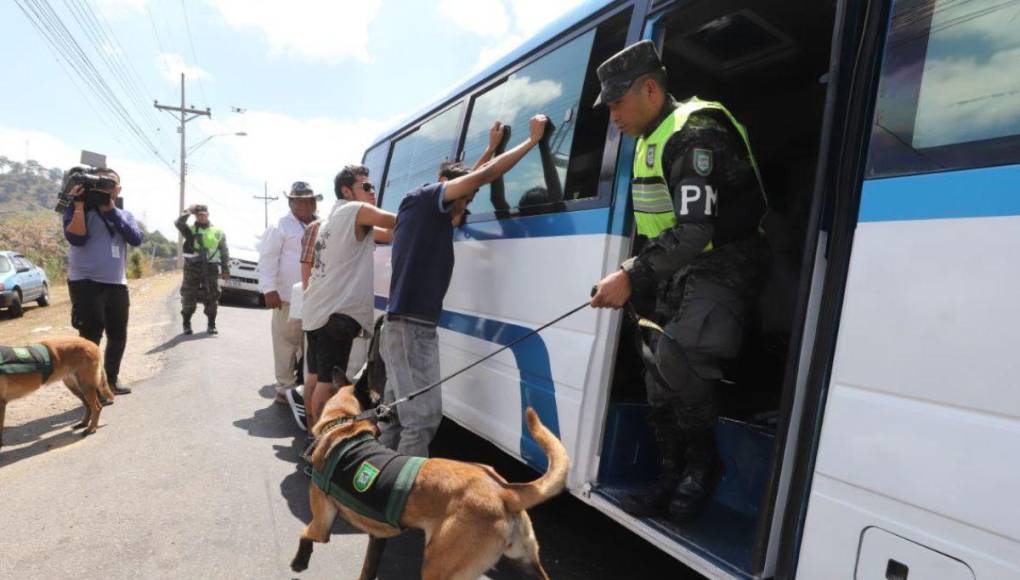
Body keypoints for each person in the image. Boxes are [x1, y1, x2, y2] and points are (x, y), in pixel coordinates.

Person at [589, 40, 771, 520]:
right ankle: (669, 474)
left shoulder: (695, 133)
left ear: (649, 88)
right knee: (655, 371)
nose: (612, 116)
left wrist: (631, 273)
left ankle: (702, 466)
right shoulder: (649, 140)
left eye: (616, 102)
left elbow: (695, 231)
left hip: (724, 262)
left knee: (680, 355)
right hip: (677, 268)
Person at [378, 115, 549, 457]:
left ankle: (368, 481)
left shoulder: (427, 212)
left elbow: (469, 181)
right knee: (421, 420)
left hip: (404, 329)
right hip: (411, 330)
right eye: (463, 201)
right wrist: (531, 142)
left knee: (396, 415)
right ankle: (403, 499)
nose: (464, 210)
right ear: (444, 185)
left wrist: (489, 148)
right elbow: (477, 178)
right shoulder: (424, 199)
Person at [300, 165, 395, 430]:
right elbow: (396, 222)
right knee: (328, 385)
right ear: (346, 190)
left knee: (314, 378)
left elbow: (385, 235)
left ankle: (310, 435)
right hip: (338, 313)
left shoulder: (330, 221)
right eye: (366, 187)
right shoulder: (356, 211)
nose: (372, 192)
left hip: (316, 311)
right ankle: (322, 441)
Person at [62, 167, 143, 397]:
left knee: (118, 335)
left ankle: (111, 382)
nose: (107, 187)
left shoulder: (124, 215)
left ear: (118, 189)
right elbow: (76, 239)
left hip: (117, 284)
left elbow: (135, 238)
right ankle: (92, 390)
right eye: (101, 183)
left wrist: (110, 211)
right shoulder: (77, 207)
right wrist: (78, 206)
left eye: (111, 183)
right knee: (90, 338)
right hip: (85, 282)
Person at [259, 181, 320, 404]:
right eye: (300, 200)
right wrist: (269, 289)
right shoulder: (280, 225)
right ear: (291, 202)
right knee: (286, 342)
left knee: (309, 344)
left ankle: (304, 387)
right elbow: (267, 258)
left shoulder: (321, 224)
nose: (305, 204)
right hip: (286, 296)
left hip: (315, 296)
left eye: (309, 199)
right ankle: (284, 388)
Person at [174, 204, 229, 335]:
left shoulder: (218, 231)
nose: (201, 217)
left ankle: (211, 324)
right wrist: (188, 211)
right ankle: (186, 323)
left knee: (212, 295)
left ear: (208, 214)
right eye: (198, 215)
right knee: (189, 295)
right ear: (195, 216)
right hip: (192, 267)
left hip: (211, 267)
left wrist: (225, 267)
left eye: (203, 214)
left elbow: (224, 250)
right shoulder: (190, 230)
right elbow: (178, 222)